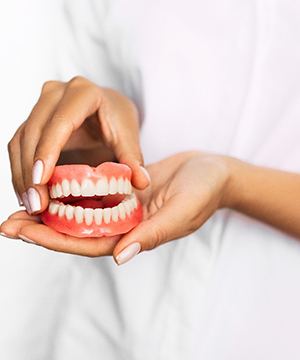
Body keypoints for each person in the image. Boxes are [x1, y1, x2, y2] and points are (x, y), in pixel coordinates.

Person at [1, 0, 300, 358]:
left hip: (264, 333)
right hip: (105, 333)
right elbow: (97, 146)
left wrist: (234, 183)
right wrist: (87, 135)